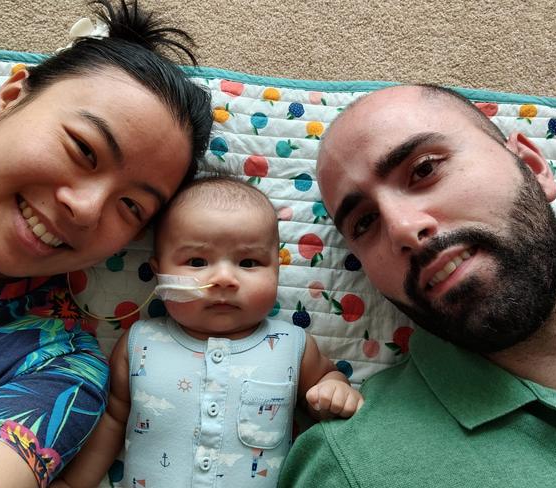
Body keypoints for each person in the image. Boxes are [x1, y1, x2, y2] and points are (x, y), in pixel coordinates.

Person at [0, 1, 213, 487]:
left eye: (131, 207)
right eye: (83, 149)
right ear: (11, 97)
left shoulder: (58, 374)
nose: (88, 209)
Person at [279, 84, 556, 487]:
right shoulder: (350, 468)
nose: (402, 228)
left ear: (534, 166)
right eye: (364, 223)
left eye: (425, 169)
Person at [52, 176, 364, 488]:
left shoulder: (290, 345)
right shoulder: (140, 344)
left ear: (277, 271)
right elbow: (113, 420)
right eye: (197, 261)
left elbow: (325, 379)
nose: (225, 279)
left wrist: (334, 389)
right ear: (159, 273)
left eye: (249, 262)